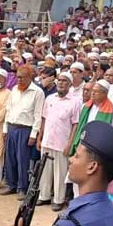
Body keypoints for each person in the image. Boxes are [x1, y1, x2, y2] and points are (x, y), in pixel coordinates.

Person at [37, 72, 80, 210]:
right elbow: (43, 119)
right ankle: (43, 196)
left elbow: (75, 125)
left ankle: (58, 199)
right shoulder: (50, 98)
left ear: (70, 84)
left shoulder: (75, 102)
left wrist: (70, 144)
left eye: (64, 81)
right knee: (44, 171)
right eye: (59, 80)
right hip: (47, 141)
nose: (61, 83)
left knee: (60, 173)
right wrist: (40, 137)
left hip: (62, 144)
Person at [2, 65, 45, 199]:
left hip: (25, 129)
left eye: (21, 77)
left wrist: (34, 134)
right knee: (10, 158)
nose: (18, 80)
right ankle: (11, 184)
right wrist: (5, 128)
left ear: (29, 77)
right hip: (11, 127)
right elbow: (8, 109)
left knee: (23, 160)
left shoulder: (37, 92)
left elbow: (38, 116)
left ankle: (22, 187)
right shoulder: (14, 89)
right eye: (17, 77)